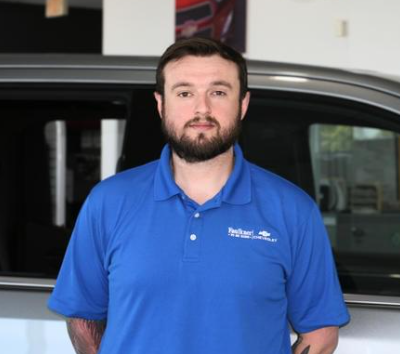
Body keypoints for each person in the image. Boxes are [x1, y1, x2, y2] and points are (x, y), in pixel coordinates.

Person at [48, 37, 350, 354]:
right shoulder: (108, 202)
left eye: (218, 92)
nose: (201, 108)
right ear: (161, 103)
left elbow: (320, 333)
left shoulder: (293, 209)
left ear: (243, 104)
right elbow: (83, 317)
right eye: (184, 93)